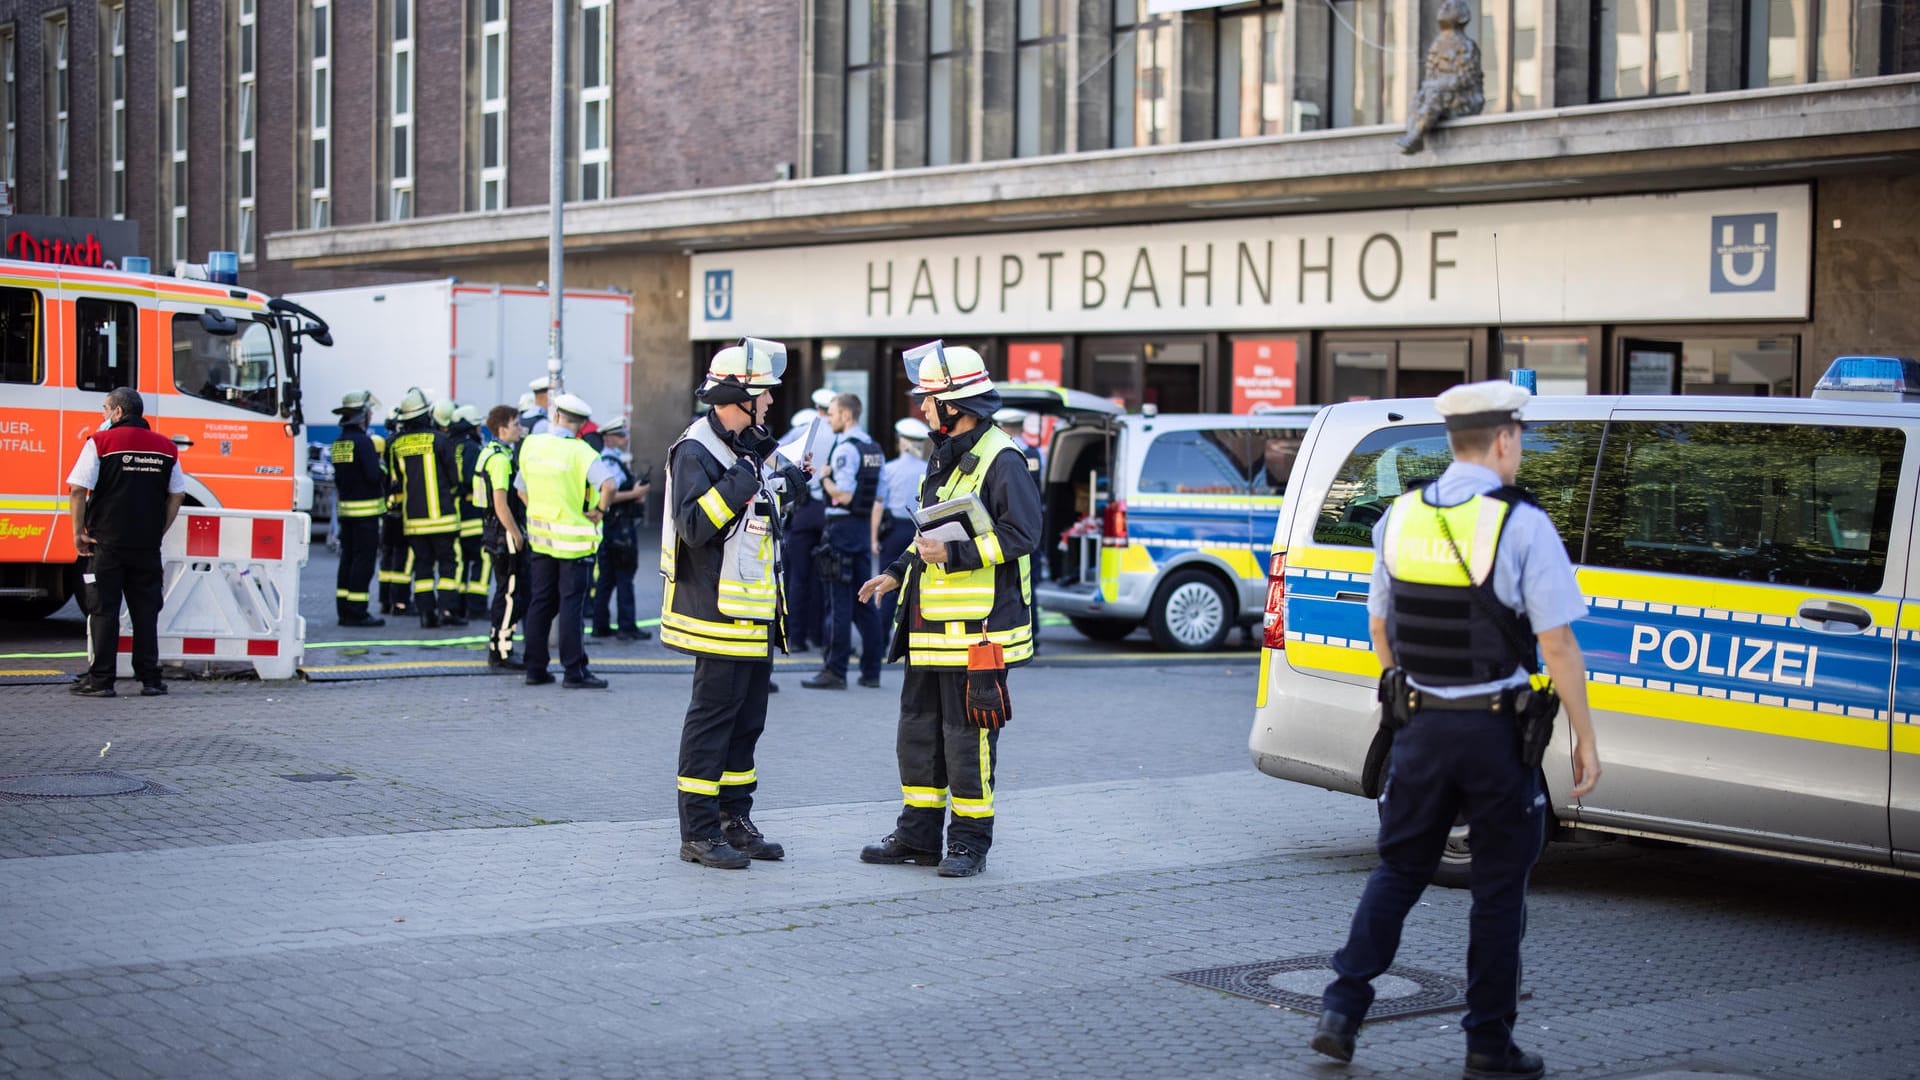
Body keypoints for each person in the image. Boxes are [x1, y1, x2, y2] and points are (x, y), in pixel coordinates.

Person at [1310, 380, 1602, 1080]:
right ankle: (1486, 1047)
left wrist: (1405, 682)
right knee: (1499, 890)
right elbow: (1556, 643)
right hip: (1494, 736)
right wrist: (1585, 736)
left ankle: (1341, 1011)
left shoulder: (1401, 517)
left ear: (1451, 441)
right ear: (1504, 441)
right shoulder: (1522, 523)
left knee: (1399, 870)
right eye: (1520, 440)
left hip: (1420, 729)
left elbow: (1380, 625)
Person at [855, 342, 1042, 878]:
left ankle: (968, 844)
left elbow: (1024, 535)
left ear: (955, 404)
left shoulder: (1002, 458)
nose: (921, 408)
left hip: (980, 634)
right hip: (930, 630)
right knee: (917, 733)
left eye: (929, 399)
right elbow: (929, 530)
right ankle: (918, 836)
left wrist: (956, 554)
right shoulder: (946, 455)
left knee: (969, 741)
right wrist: (894, 571)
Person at [661, 337, 812, 869]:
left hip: (753, 613)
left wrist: (792, 483)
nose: (770, 403)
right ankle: (698, 832)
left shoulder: (745, 444)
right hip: (715, 615)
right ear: (737, 397)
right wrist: (747, 475)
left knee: (747, 723)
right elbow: (695, 526)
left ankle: (734, 820)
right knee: (711, 723)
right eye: (764, 395)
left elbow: (760, 519)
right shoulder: (697, 449)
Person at [68, 387, 187, 698]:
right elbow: (177, 494)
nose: (104, 416)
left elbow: (77, 490)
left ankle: (101, 681)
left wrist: (78, 532)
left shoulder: (100, 442)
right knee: (145, 611)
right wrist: (160, 528)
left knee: (104, 609)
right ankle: (150, 679)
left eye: (106, 410)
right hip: (146, 545)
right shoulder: (166, 448)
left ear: (118, 412)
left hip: (105, 542)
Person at [515, 392, 617, 688]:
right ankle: (574, 672)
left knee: (540, 603)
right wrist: (599, 510)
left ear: (556, 416)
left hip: (541, 538)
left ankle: (535, 669)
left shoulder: (531, 445)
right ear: (581, 424)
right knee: (571, 606)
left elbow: (520, 489)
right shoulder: (582, 452)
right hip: (575, 543)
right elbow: (608, 484)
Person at [803, 393, 885, 690]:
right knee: (864, 603)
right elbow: (878, 497)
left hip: (841, 529)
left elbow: (846, 495)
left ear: (847, 416)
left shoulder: (845, 450)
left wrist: (825, 478)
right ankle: (871, 671)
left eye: (834, 414)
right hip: (861, 531)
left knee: (838, 603)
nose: (829, 419)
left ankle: (834, 671)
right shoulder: (873, 448)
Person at [385, 388, 468, 629]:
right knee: (448, 564)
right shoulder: (440, 440)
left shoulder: (397, 445)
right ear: (426, 414)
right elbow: (456, 477)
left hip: (413, 521)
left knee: (422, 565)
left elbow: (394, 482)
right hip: (443, 519)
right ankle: (446, 610)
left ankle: (426, 615)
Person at [779, 390, 835, 653]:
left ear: (816, 407)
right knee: (822, 575)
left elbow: (776, 457)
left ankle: (796, 637)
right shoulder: (838, 433)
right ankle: (820, 635)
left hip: (803, 509)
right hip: (827, 509)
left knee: (798, 577)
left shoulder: (804, 430)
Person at [474, 406, 529, 670]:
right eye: (516, 424)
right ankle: (502, 651)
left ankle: (500, 646)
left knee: (506, 590)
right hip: (503, 532)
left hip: (494, 530)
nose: (520, 428)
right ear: (502, 429)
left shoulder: (490, 452)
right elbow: (500, 502)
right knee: (509, 593)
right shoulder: (500, 460)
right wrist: (516, 534)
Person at [328, 390, 387, 628]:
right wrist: (383, 469)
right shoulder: (363, 442)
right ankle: (358, 612)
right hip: (366, 514)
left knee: (348, 560)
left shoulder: (339, 442)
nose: (371, 414)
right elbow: (374, 475)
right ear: (362, 415)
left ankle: (344, 609)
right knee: (364, 562)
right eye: (369, 411)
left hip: (346, 512)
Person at [590, 416, 652, 642]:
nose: (625, 438)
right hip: (619, 528)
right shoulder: (609, 463)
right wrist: (635, 494)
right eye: (620, 435)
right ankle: (626, 627)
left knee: (607, 577)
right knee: (624, 576)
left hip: (612, 526)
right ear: (608, 438)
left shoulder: (609, 460)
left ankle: (601, 625)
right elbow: (609, 494)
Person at [870, 417, 930, 642]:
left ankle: (882, 638)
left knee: (887, 582)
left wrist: (873, 538)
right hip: (920, 531)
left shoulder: (890, 469)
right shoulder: (927, 468)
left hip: (894, 530)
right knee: (917, 584)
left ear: (903, 442)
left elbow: (878, 505)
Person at [450, 404, 492, 619]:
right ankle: (476, 605)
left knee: (461, 560)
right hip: (472, 514)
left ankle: (457, 604)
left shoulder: (449, 445)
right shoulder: (473, 449)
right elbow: (471, 478)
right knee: (482, 558)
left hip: (453, 513)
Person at [376, 405, 415, 618]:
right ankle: (400, 601)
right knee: (403, 554)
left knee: (387, 555)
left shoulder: (387, 442)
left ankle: (385, 600)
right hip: (403, 507)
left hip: (388, 506)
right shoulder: (403, 443)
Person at [993, 407, 1044, 495]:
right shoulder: (1038, 453)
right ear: (1022, 428)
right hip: (1034, 505)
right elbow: (1043, 480)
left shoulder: (997, 454)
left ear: (1003, 429)